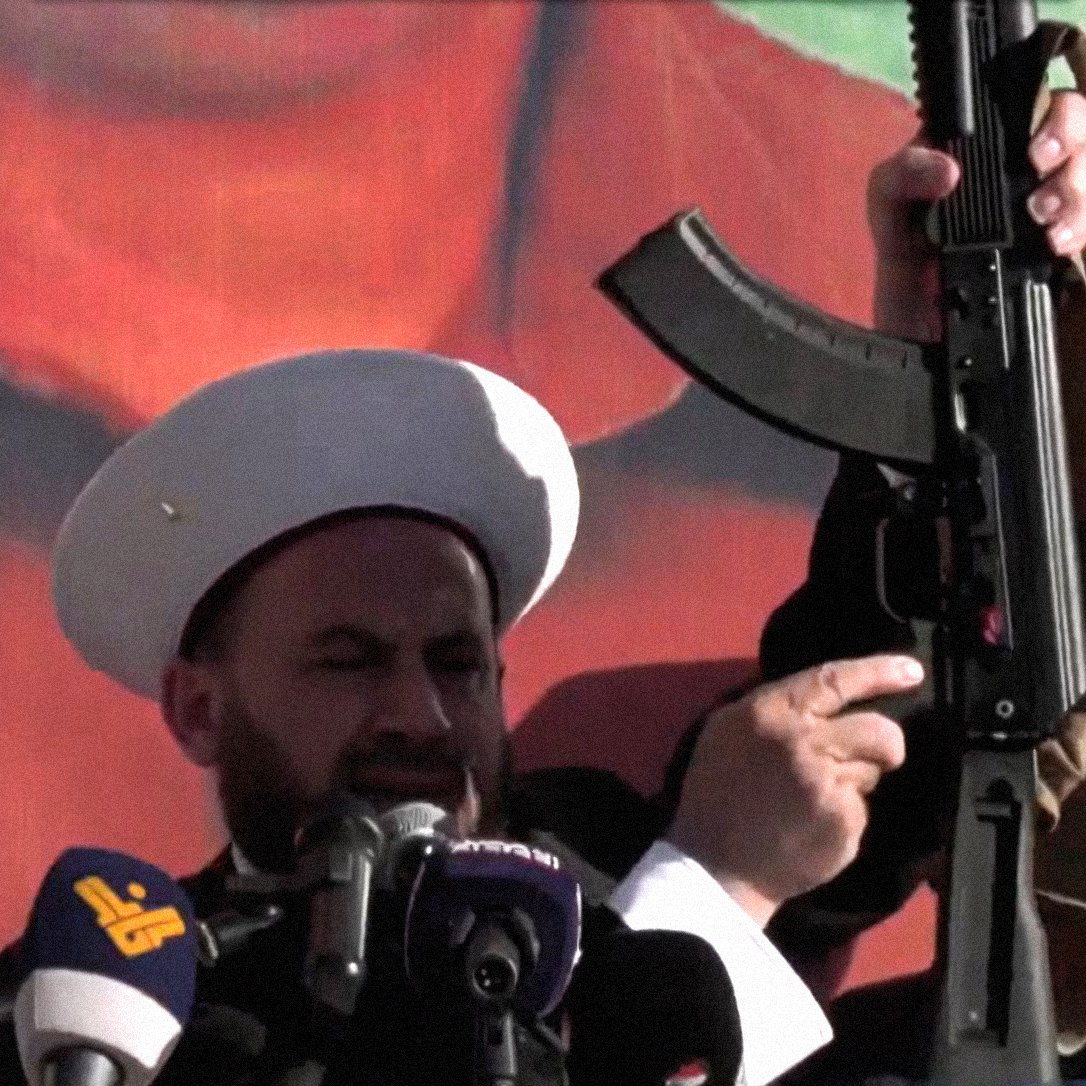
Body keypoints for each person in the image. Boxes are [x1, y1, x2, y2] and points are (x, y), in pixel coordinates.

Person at [0, 346, 918, 1086]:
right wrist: (714, 894)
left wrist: (916, 358)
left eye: (456, 664)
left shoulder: (598, 846)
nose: (421, 714)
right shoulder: (103, 994)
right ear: (199, 710)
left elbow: (864, 676)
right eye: (349, 660)